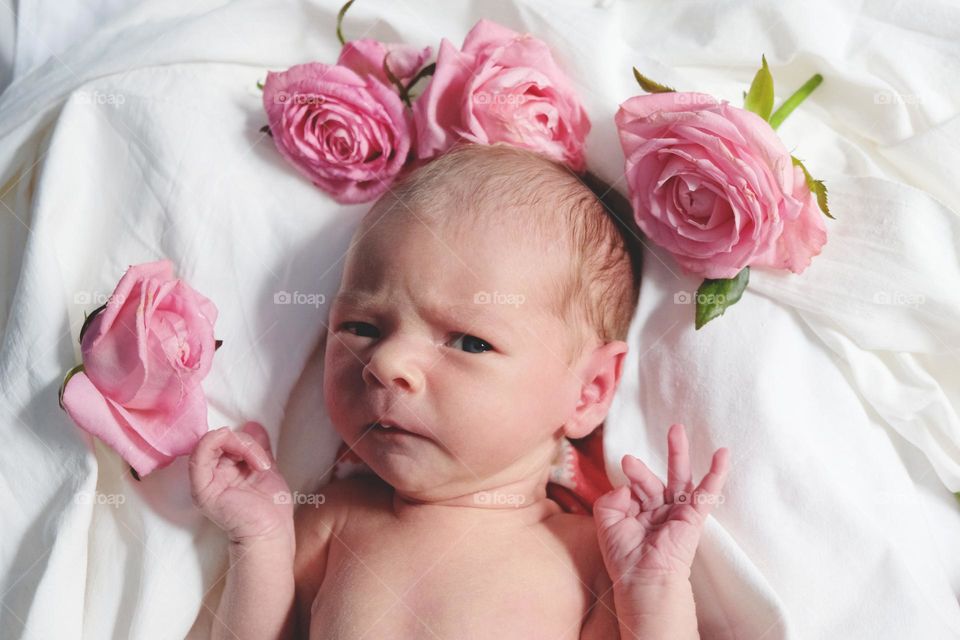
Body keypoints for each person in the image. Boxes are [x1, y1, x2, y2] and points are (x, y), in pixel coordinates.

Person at [189, 142, 730, 639]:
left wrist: (653, 591)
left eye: (470, 342)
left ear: (589, 391)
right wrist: (259, 541)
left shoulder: (592, 560)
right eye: (361, 327)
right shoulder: (333, 521)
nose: (386, 363)